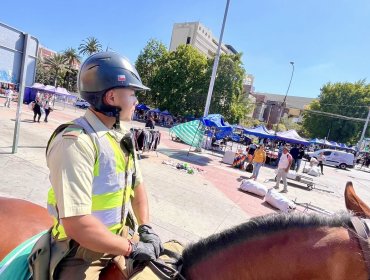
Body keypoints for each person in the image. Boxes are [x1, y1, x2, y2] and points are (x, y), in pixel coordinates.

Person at [42, 52, 163, 279]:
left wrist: (146, 228)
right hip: (81, 251)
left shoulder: (121, 135)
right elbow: (77, 224)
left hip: (121, 237)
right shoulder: (76, 142)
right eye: (132, 93)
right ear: (111, 98)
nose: (137, 101)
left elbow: (137, 186)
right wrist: (132, 249)